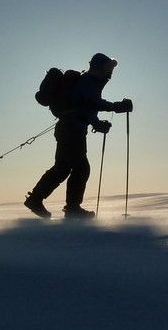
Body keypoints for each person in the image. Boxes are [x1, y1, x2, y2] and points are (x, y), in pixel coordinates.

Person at [25, 52, 133, 219]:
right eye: (108, 67)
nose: (111, 71)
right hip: (71, 131)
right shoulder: (88, 82)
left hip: (70, 129)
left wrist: (97, 123)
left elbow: (86, 108)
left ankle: (36, 199)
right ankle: (72, 208)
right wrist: (117, 107)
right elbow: (91, 104)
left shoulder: (92, 82)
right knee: (81, 168)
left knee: (62, 169)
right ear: (99, 68)